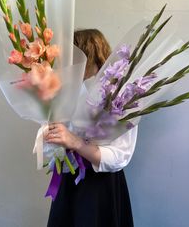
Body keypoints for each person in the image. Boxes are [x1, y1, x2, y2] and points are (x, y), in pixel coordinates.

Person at [44, 29, 138, 227]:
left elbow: (121, 156)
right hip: (69, 180)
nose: (68, 65)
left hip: (100, 187)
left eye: (75, 57)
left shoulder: (121, 96)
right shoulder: (64, 92)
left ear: (90, 55)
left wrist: (75, 142)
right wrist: (52, 139)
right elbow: (56, 145)